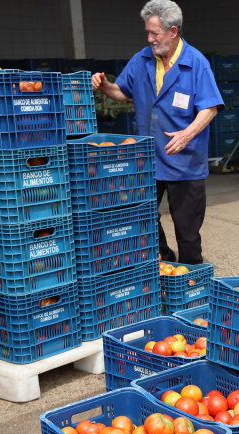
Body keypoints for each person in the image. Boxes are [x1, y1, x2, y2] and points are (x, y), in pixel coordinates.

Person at [92, 0, 222, 264]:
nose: (150, 39)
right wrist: (105, 86)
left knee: (187, 232)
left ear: (173, 32)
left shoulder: (195, 63)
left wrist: (187, 134)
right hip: (148, 159)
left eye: (155, 33)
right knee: (142, 217)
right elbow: (122, 92)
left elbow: (210, 108)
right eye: (148, 33)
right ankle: (165, 260)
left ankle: (190, 280)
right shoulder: (141, 60)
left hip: (185, 160)